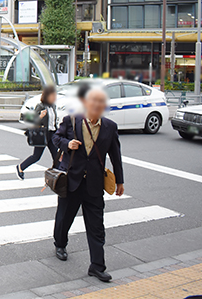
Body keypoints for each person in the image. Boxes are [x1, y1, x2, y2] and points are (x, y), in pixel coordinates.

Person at [52, 87, 125, 283]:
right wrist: (67, 144)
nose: (98, 107)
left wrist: (120, 180)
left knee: (96, 226)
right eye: (94, 103)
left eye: (101, 104)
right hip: (72, 180)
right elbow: (56, 138)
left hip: (94, 184)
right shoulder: (72, 120)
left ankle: (97, 266)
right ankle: (60, 243)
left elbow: (115, 155)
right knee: (64, 217)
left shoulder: (110, 127)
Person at [16, 85, 59, 180]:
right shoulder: (41, 106)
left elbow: (53, 122)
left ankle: (55, 178)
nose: (55, 97)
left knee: (56, 157)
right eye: (53, 95)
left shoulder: (53, 106)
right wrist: (40, 116)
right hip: (43, 135)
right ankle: (20, 167)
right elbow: (33, 120)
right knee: (36, 156)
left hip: (52, 135)